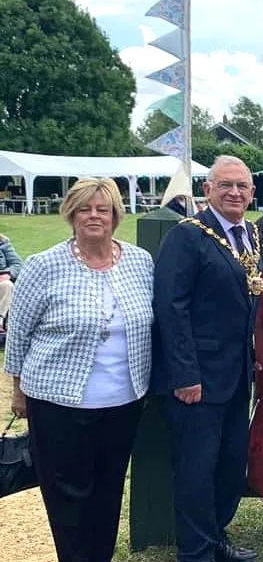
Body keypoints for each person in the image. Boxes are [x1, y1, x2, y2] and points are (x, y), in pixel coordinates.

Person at [4, 177, 154, 562]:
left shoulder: (140, 262)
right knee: (68, 497)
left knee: (108, 491)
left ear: (116, 215)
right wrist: (18, 391)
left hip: (123, 399)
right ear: (71, 213)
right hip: (57, 402)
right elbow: (19, 331)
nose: (93, 216)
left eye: (102, 209)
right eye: (84, 208)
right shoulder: (44, 265)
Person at [152, 155, 262, 562]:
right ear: (207, 190)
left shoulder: (249, 232)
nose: (235, 192)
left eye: (242, 187)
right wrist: (184, 373)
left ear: (252, 193)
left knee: (230, 463)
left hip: (235, 375)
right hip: (195, 377)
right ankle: (196, 552)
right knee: (196, 470)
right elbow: (170, 305)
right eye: (226, 185)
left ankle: (216, 537)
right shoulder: (188, 236)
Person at [0, 233, 23, 335]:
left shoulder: (3, 244)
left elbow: (18, 265)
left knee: (7, 285)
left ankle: (0, 322)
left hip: (2, 280)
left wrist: (8, 274)